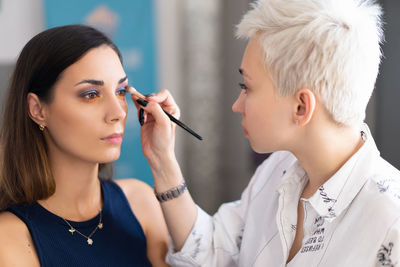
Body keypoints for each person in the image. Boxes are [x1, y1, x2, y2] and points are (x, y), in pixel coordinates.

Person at [133, 0, 400, 266]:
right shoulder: (278, 171)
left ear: (301, 106)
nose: (237, 105)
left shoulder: (391, 224)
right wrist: (162, 159)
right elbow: (214, 253)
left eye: (246, 86)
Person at [0, 25, 169, 267]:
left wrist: (164, 161)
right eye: (91, 94)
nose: (118, 112)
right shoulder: (10, 237)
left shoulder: (140, 201)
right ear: (38, 109)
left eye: (120, 91)